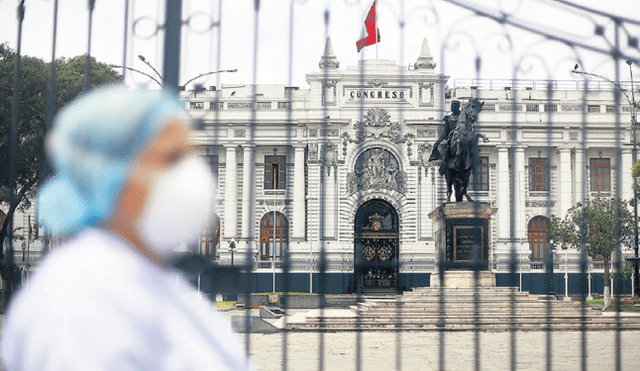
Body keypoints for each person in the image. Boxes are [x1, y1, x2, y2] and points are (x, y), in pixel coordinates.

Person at [1, 85, 254, 370]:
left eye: (191, 157)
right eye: (172, 158)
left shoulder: (150, 278)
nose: (194, 174)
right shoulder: (82, 296)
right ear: (111, 173)